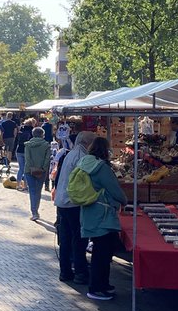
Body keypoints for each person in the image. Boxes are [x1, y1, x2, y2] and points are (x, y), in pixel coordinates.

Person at [74, 136, 126, 301]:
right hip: (102, 216)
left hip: (89, 213)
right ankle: (96, 288)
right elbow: (115, 189)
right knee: (102, 253)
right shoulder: (101, 167)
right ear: (105, 150)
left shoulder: (84, 163)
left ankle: (102, 284)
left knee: (100, 251)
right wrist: (124, 200)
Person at [53, 130, 95, 284]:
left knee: (66, 238)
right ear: (87, 143)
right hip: (73, 203)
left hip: (63, 201)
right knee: (78, 239)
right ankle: (80, 272)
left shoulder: (71, 154)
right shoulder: (81, 157)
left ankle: (65, 271)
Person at [22, 126, 51, 221]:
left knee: (32, 191)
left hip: (29, 170)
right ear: (42, 135)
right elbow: (47, 159)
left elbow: (27, 158)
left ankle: (34, 211)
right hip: (41, 171)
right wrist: (43, 168)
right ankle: (36, 210)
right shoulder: (46, 145)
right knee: (38, 191)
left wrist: (31, 168)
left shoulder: (28, 145)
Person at [13, 117, 35, 189]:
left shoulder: (20, 130)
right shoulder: (32, 131)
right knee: (26, 168)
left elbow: (16, 140)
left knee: (21, 168)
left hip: (19, 150)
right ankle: (25, 185)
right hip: (27, 151)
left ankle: (18, 184)